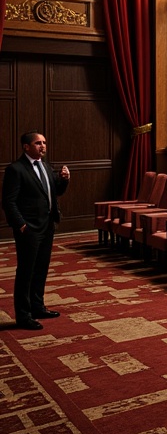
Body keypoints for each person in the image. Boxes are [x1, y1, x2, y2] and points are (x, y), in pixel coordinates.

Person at [2, 130, 70, 330]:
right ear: (26, 147)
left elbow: (54, 192)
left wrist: (63, 180)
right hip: (29, 229)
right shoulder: (16, 169)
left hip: (47, 225)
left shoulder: (45, 165)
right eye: (38, 143)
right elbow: (8, 202)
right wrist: (21, 225)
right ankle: (23, 316)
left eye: (44, 143)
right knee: (26, 271)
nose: (43, 146)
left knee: (41, 268)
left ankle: (38, 307)